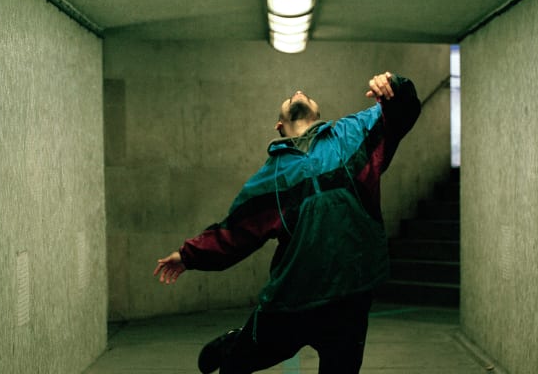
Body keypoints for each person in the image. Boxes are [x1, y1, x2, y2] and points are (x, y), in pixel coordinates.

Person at [153, 72, 421, 374]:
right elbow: (234, 232)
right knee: (235, 365)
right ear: (279, 126)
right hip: (290, 302)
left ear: (319, 113)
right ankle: (235, 343)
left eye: (304, 93)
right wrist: (188, 255)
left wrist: (394, 87)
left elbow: (401, 113)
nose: (297, 91)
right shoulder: (269, 179)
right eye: (288, 96)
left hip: (350, 298)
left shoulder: (352, 135)